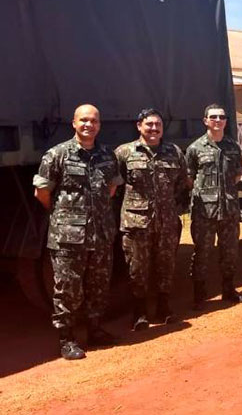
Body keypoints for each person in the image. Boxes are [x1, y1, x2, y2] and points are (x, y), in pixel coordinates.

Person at [33, 104, 123, 360]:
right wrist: (65, 217)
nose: (89, 125)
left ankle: (95, 330)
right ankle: (67, 339)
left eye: (94, 121)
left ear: (99, 125)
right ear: (73, 123)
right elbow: (42, 193)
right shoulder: (57, 154)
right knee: (68, 288)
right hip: (68, 238)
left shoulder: (107, 155)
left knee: (98, 285)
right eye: (84, 120)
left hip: (101, 234)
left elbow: (111, 189)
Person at [116, 109, 189, 329]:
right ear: (139, 126)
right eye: (149, 124)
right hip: (137, 223)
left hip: (167, 222)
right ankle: (139, 313)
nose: (154, 128)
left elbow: (181, 183)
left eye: (158, 124)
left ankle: (163, 308)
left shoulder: (173, 152)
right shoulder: (124, 153)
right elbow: (116, 186)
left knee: (166, 266)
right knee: (137, 268)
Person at [186, 104, 242, 309]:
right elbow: (189, 177)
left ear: (226, 121)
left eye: (221, 117)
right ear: (205, 120)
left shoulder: (232, 146)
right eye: (213, 117)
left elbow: (238, 174)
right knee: (202, 252)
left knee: (230, 251)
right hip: (204, 212)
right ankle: (199, 295)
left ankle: (228, 290)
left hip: (229, 209)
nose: (218, 120)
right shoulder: (195, 148)